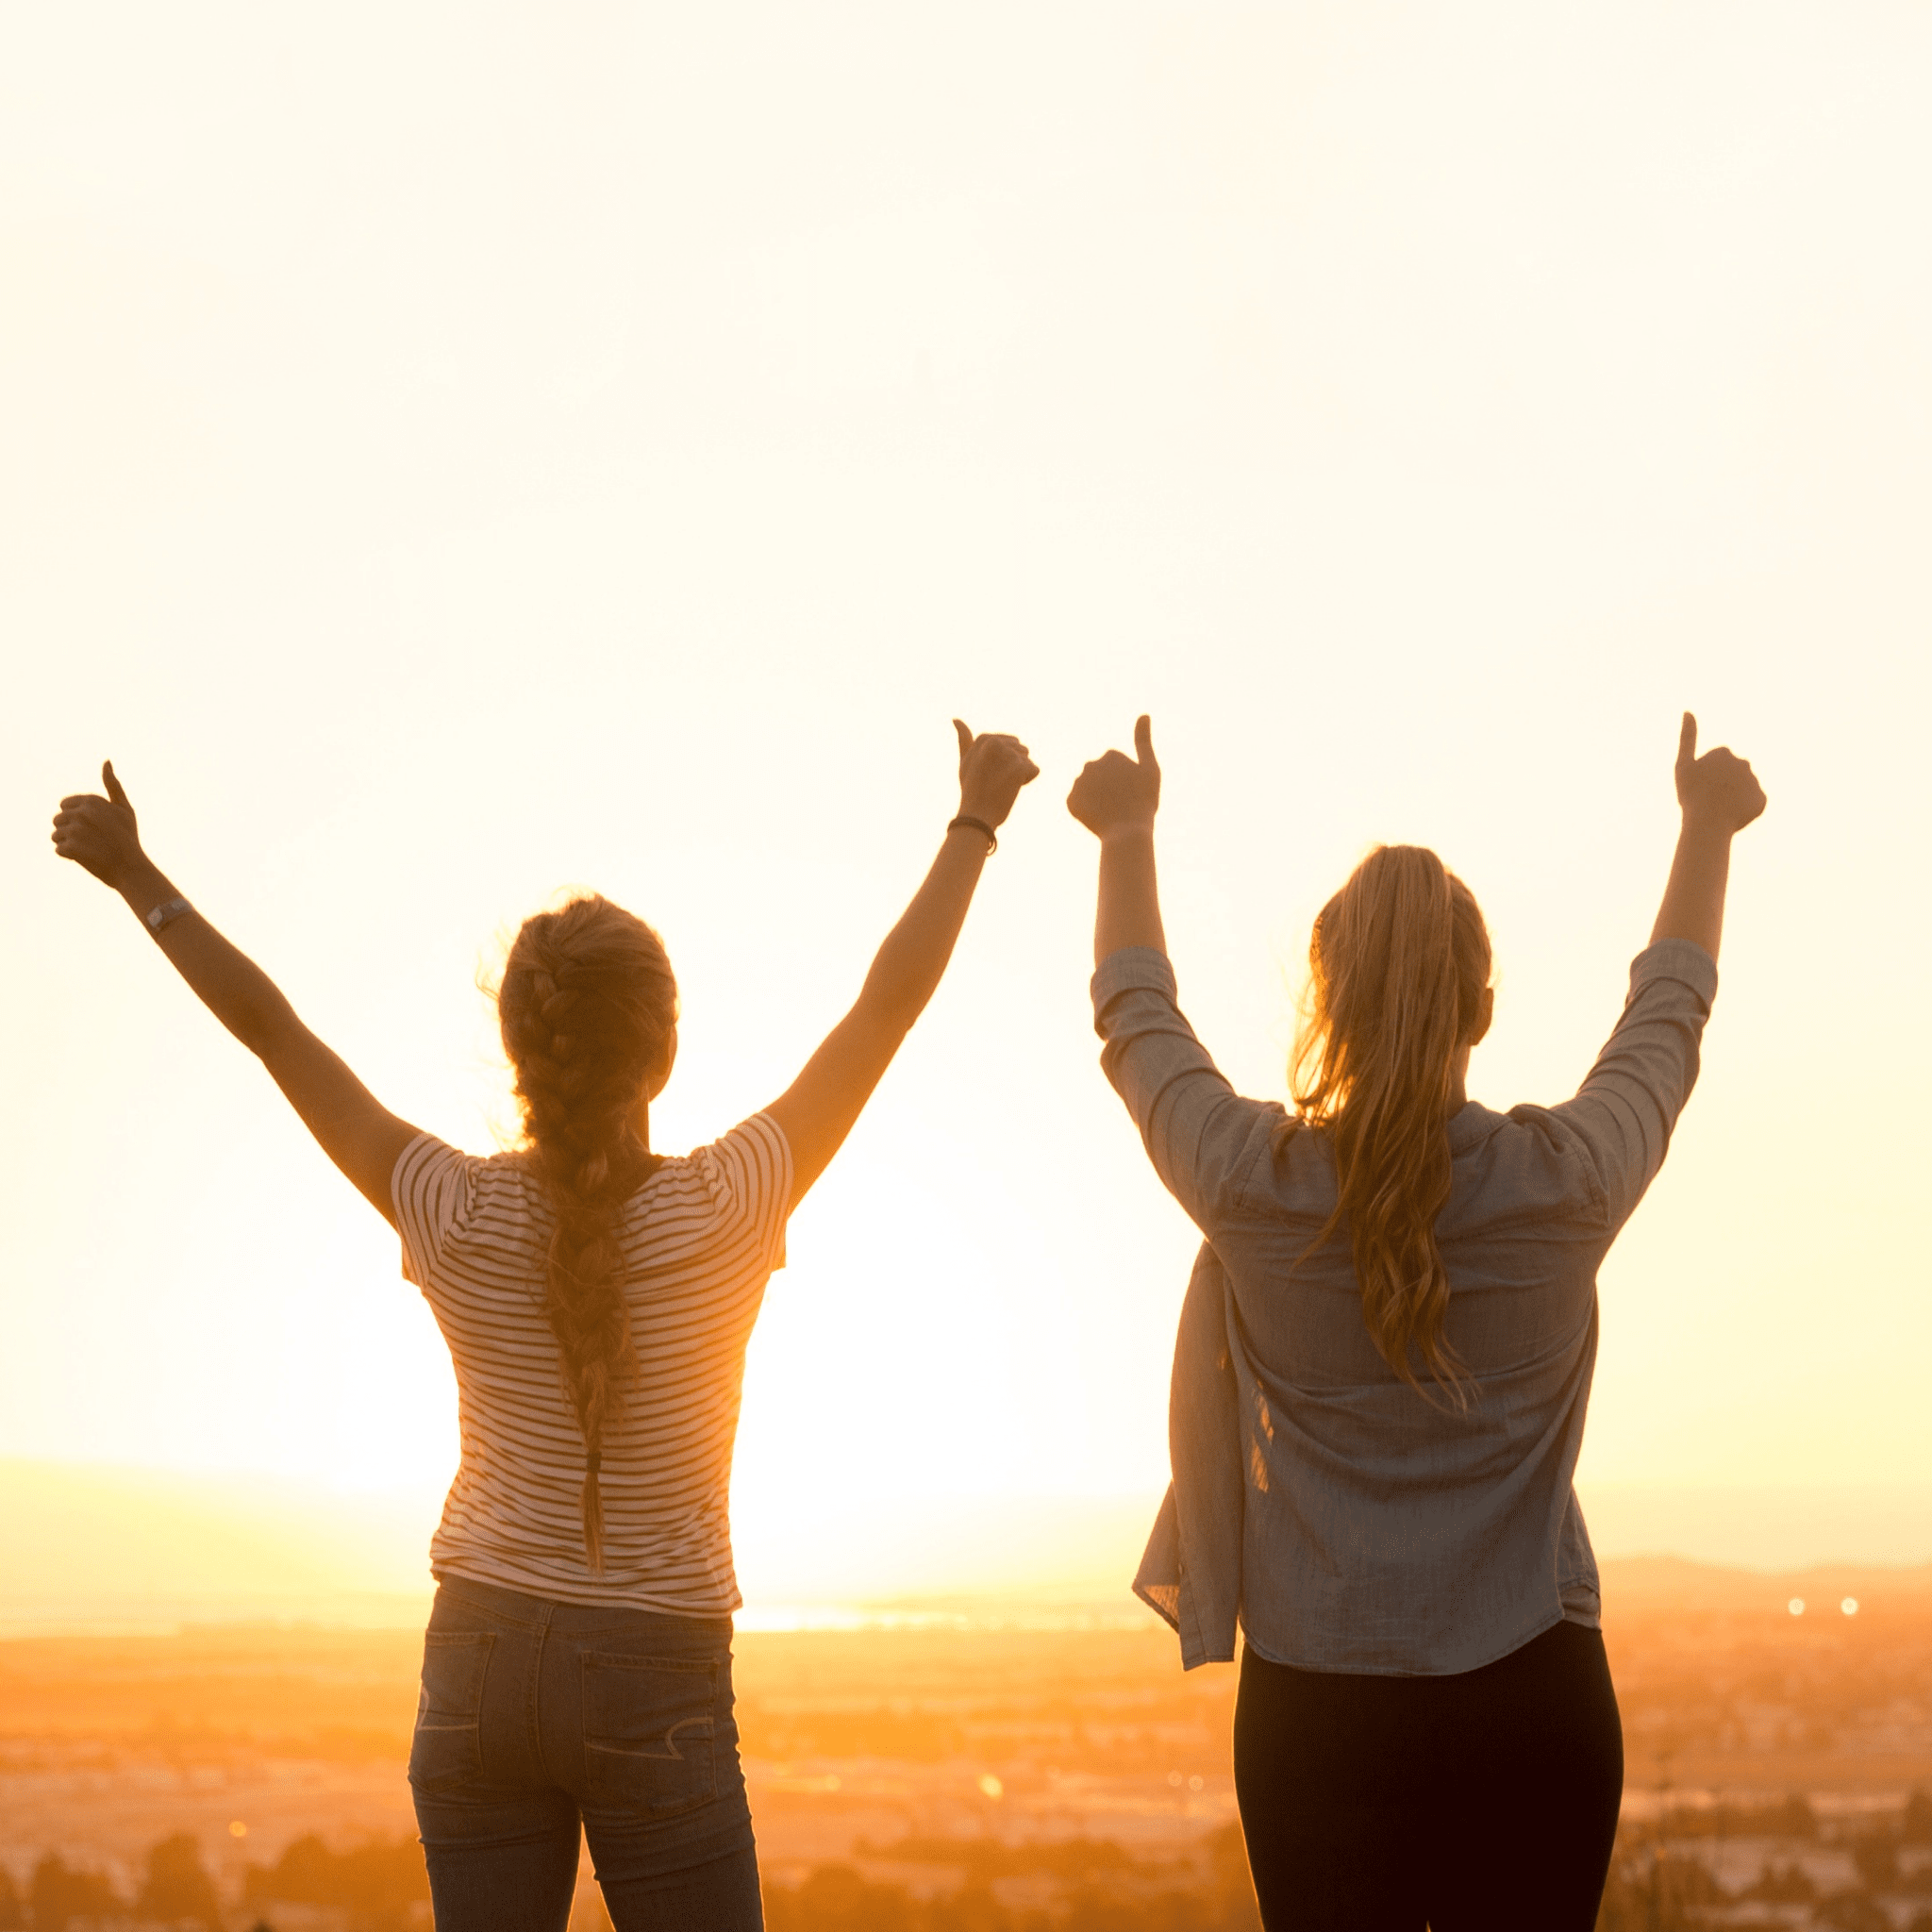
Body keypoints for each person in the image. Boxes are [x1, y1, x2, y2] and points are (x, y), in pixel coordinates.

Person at [50, 722, 1039, 1932]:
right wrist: (973, 821)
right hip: (656, 1668)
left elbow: (276, 1033)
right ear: (661, 1052)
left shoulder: (452, 1207)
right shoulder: (730, 1202)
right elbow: (883, 1009)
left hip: (476, 1656)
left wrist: (142, 882)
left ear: (518, 1045)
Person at [1067, 713, 1765, 1932]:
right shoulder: (1568, 1186)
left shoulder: (1254, 1186)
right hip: (1533, 1704)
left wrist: (1127, 833)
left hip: (1318, 1720)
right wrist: (1705, 827)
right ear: (1482, 1007)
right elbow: (1669, 1023)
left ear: (1325, 1003)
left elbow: (1138, 1024)